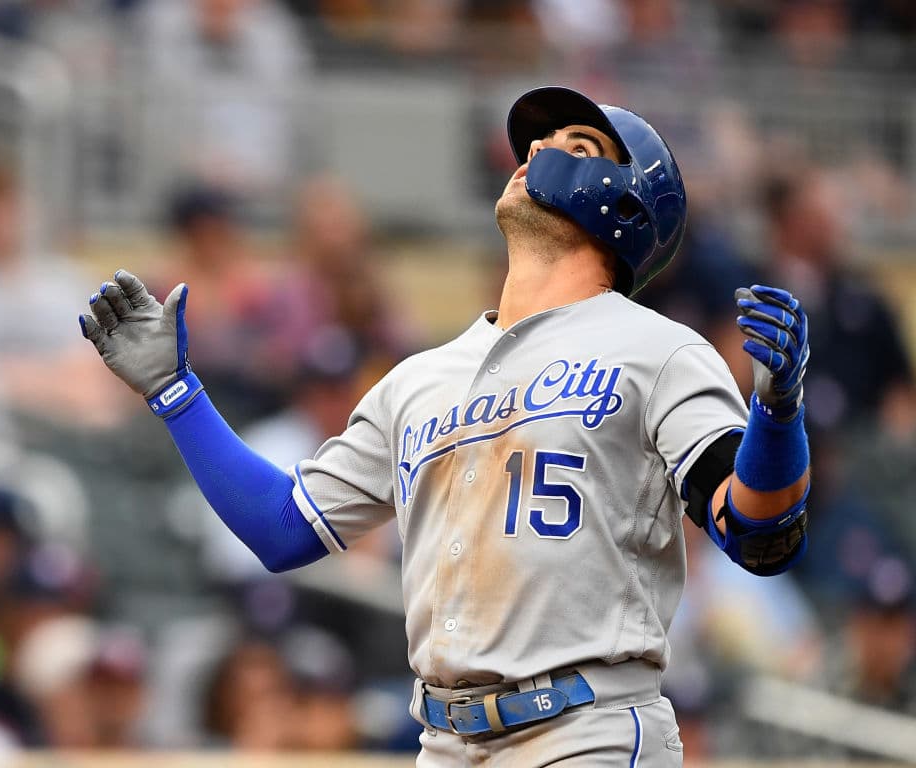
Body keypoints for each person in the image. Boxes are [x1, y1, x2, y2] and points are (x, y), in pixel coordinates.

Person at [80, 86, 812, 766]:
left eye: (575, 145)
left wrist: (777, 416)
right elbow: (284, 528)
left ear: (627, 203)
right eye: (535, 142)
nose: (535, 151)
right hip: (446, 742)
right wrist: (177, 393)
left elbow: (757, 531)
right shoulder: (418, 378)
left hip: (584, 733)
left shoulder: (660, 350)